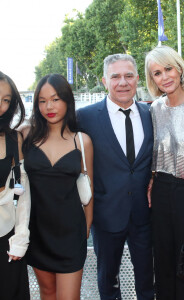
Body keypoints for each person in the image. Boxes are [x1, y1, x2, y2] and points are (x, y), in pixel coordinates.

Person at [77, 54, 154, 300]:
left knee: (148, 279)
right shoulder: (85, 118)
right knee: (107, 281)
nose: (123, 82)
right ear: (104, 81)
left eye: (128, 75)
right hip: (106, 215)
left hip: (145, 215)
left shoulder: (151, 114)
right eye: (116, 76)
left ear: (137, 79)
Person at [145, 45, 184, 300]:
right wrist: (151, 179)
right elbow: (155, 152)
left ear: (179, 69)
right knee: (162, 263)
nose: (165, 77)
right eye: (157, 73)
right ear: (153, 80)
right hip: (160, 193)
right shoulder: (154, 109)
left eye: (168, 68)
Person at [22, 74, 93, 299]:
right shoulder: (26, 135)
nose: (48, 106)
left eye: (55, 99)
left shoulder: (82, 141)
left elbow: (89, 192)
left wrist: (86, 229)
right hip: (37, 231)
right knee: (47, 293)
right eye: (42, 101)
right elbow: (15, 180)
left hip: (71, 234)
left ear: (67, 101)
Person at [0, 71, 30, 299]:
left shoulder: (13, 139)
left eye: (6, 100)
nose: (0, 105)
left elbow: (22, 194)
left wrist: (20, 239)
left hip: (6, 241)